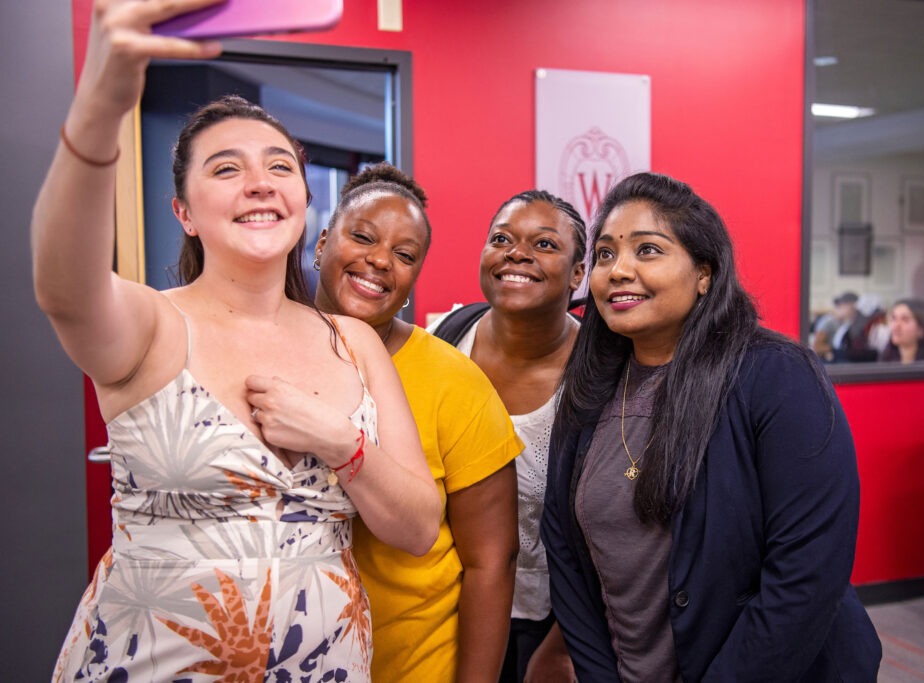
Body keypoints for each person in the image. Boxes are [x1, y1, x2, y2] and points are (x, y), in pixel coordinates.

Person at [34, 3, 439, 680]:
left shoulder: (351, 343)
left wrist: (341, 443)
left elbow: (418, 525)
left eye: (279, 167)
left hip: (325, 665)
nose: (259, 182)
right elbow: (63, 286)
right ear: (184, 212)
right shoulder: (151, 325)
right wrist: (102, 103)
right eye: (225, 169)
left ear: (304, 198)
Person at [541, 172, 882, 681]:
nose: (618, 270)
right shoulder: (590, 387)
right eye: (606, 255)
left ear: (704, 273)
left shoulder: (777, 377)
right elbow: (565, 554)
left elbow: (807, 572)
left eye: (648, 250)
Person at [312, 163, 523, 681]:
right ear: (321, 243)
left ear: (412, 279)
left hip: (411, 664)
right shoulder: (263, 346)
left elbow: (491, 563)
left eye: (404, 256)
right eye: (362, 237)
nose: (380, 260)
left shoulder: (454, 381)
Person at [429, 189, 585, 683]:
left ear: (579, 274)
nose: (518, 253)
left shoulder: (604, 372)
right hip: (451, 607)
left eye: (544, 244)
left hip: (557, 621)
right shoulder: (447, 340)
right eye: (502, 239)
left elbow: (622, 529)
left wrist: (564, 646)